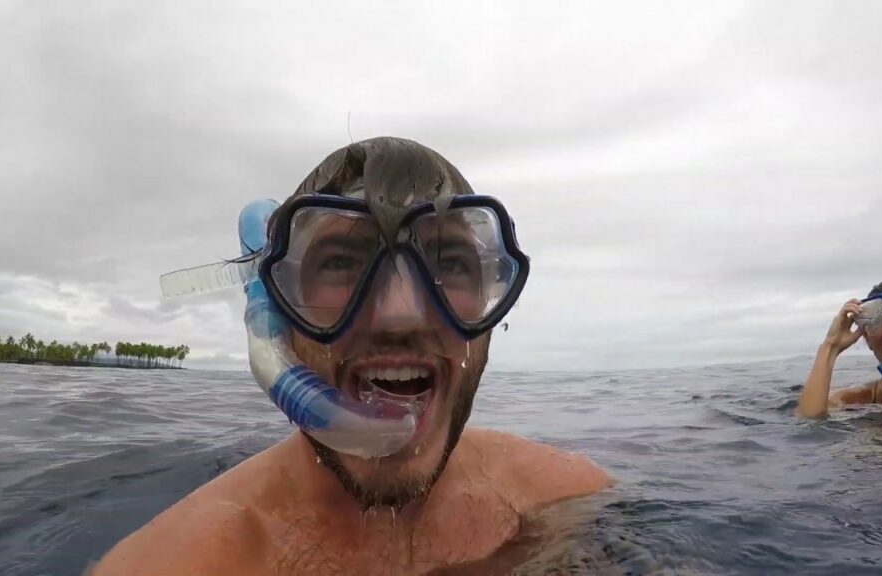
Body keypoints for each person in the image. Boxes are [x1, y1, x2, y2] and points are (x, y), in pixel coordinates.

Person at [91, 137, 611, 575]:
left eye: (449, 262)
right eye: (341, 262)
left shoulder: (567, 498)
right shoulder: (181, 561)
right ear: (277, 312)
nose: (400, 315)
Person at [796, 281, 882, 418]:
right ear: (868, 340)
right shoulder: (858, 400)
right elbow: (809, 421)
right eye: (877, 324)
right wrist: (830, 346)